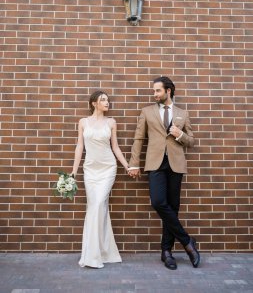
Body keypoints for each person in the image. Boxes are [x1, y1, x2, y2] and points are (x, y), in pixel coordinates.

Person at [128, 76, 200, 270]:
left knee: (173, 207)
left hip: (175, 164)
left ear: (168, 91)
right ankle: (187, 242)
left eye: (157, 91)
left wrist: (181, 135)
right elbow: (138, 138)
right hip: (155, 163)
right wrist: (134, 163)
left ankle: (166, 252)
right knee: (158, 202)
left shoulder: (182, 113)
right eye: (154, 91)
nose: (154, 94)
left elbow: (192, 142)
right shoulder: (146, 112)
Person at [71, 90, 129, 269]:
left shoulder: (111, 122)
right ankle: (101, 252)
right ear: (94, 103)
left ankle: (96, 254)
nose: (107, 102)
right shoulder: (83, 122)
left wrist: (127, 166)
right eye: (103, 100)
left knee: (97, 205)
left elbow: (116, 147)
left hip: (108, 168)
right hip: (90, 170)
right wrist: (73, 171)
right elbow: (80, 146)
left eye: (108, 100)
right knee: (96, 207)